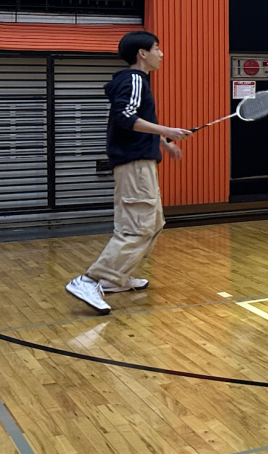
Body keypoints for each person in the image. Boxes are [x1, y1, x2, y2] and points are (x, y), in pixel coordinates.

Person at [65, 31, 192, 315]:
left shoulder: (138, 82)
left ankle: (115, 278)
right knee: (139, 226)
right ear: (142, 54)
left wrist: (163, 142)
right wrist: (165, 130)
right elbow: (123, 117)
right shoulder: (134, 79)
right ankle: (90, 280)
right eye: (157, 48)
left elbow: (136, 119)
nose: (162, 53)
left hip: (139, 162)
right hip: (134, 165)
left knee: (153, 221)